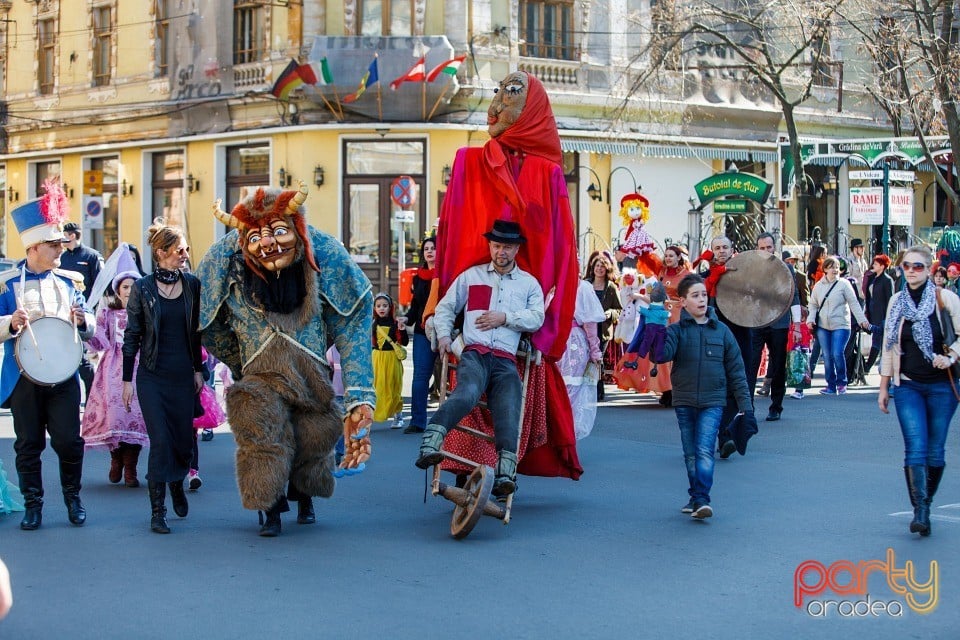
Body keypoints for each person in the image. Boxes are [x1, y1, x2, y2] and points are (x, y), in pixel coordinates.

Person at [199, 182, 375, 536]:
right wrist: (240, 362)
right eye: (256, 238)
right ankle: (270, 506)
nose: (267, 244)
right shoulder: (223, 259)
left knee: (315, 433)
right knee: (260, 430)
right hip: (260, 373)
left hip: (308, 371)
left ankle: (304, 493)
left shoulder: (323, 252)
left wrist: (359, 394)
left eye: (278, 232)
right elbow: (208, 323)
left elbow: (353, 319)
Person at [416, 220, 546, 497]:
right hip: (474, 353)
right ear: (489, 245)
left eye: (507, 247)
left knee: (510, 408)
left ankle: (505, 475)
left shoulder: (528, 284)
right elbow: (446, 308)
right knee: (467, 393)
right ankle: (430, 442)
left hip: (505, 359)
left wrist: (506, 318)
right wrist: (442, 337)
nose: (501, 252)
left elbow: (537, 317)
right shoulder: (471, 276)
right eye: (497, 245)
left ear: (516, 249)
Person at [1, 185, 95, 531]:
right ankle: (33, 505)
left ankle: (73, 498)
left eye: (62, 244)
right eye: (55, 245)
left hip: (64, 377)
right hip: (24, 377)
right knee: (28, 445)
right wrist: (8, 323)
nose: (61, 249)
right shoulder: (6, 284)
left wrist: (84, 319)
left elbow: (90, 323)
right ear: (34, 247)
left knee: (70, 441)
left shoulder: (71, 281)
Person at [122, 219, 204, 534]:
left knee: (183, 441)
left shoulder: (192, 284)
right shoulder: (142, 288)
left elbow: (196, 333)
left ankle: (176, 483)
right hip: (152, 376)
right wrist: (127, 379)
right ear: (161, 252)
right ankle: (158, 512)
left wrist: (198, 369)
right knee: (160, 441)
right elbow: (133, 335)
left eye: (185, 249)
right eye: (179, 250)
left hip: (183, 375)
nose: (185, 254)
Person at [657, 274, 754, 519]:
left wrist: (746, 407)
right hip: (684, 401)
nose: (701, 299)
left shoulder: (722, 332)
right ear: (683, 302)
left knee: (703, 450)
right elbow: (660, 355)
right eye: (695, 295)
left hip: (713, 401)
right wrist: (653, 327)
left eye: (703, 294)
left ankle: (702, 499)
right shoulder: (676, 331)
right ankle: (695, 495)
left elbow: (737, 371)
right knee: (690, 452)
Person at [878, 245, 960, 537]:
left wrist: (950, 356)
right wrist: (884, 386)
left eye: (918, 266)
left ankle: (927, 502)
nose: (911, 271)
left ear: (930, 270)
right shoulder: (896, 302)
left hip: (942, 387)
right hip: (908, 385)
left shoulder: (945, 299)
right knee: (915, 446)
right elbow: (889, 346)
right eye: (906, 266)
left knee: (935, 450)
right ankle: (921, 511)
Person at [81, 268, 149, 488]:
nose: (129, 290)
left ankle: (131, 467)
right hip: (112, 370)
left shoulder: (147, 311)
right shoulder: (108, 313)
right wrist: (85, 325)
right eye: (125, 286)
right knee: (115, 416)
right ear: (118, 290)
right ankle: (116, 458)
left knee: (137, 417)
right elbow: (99, 341)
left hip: (140, 368)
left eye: (133, 286)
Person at [751, 233, 802, 422]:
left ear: (775, 247)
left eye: (769, 247)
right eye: (762, 248)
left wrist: (796, 325)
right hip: (756, 322)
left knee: (778, 365)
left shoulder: (786, 268)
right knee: (751, 364)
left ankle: (776, 406)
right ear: (757, 249)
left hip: (779, 323)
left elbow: (794, 295)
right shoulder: (751, 268)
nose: (766, 251)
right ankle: (748, 406)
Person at [806, 256, 871, 395]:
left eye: (837, 267)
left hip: (841, 324)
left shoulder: (844, 284)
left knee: (837, 353)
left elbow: (854, 303)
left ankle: (842, 382)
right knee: (828, 356)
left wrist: (862, 320)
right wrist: (810, 320)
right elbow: (813, 305)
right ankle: (831, 385)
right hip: (823, 325)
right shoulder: (819, 285)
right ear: (825, 269)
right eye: (831, 267)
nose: (835, 270)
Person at [59, 221, 104, 402]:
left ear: (72, 235)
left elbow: (99, 285)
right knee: (72, 356)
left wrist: (93, 311)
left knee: (83, 358)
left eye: (65, 235)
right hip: (64, 315)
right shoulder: (61, 258)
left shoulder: (91, 256)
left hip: (84, 315)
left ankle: (94, 394)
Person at [561, 277, 606, 439]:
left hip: (559, 340)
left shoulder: (555, 283)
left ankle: (563, 433)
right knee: (572, 390)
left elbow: (590, 323)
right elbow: (590, 324)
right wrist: (595, 352)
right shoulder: (581, 287)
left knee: (563, 389)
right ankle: (567, 433)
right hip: (572, 341)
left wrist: (595, 351)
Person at [403, 236, 437, 434]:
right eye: (426, 249)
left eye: (433, 248)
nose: (430, 251)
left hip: (445, 332)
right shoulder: (418, 278)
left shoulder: (447, 275)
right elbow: (415, 307)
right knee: (420, 376)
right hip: (423, 333)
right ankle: (417, 421)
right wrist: (407, 320)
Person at [188, 347, 228, 491]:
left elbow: (205, 373)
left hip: (193, 399)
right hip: (172, 397)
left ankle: (193, 472)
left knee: (191, 437)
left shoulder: (198, 349)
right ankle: (175, 470)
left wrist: (197, 373)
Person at [586, 251, 622, 401]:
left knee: (598, 358)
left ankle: (598, 388)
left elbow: (619, 309)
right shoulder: (585, 284)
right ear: (593, 268)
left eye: (602, 266)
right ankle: (589, 389)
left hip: (603, 329)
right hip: (587, 328)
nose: (599, 269)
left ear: (607, 269)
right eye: (597, 266)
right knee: (587, 358)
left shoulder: (611, 287)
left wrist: (610, 314)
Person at [372, 292, 408, 428]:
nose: (382, 308)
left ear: (390, 307)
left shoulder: (395, 323)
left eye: (385, 306)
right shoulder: (373, 324)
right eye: (378, 306)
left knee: (394, 387)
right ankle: (373, 415)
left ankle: (398, 416)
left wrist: (402, 330)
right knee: (377, 387)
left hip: (392, 358)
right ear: (374, 308)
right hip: (377, 358)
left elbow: (404, 342)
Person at [863, 254, 894, 374]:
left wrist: (888, 317)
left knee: (877, 341)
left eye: (876, 264)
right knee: (877, 341)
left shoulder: (887, 280)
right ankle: (870, 366)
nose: (873, 265)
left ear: (882, 266)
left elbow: (890, 299)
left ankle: (868, 367)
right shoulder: (873, 278)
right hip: (873, 314)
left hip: (882, 316)